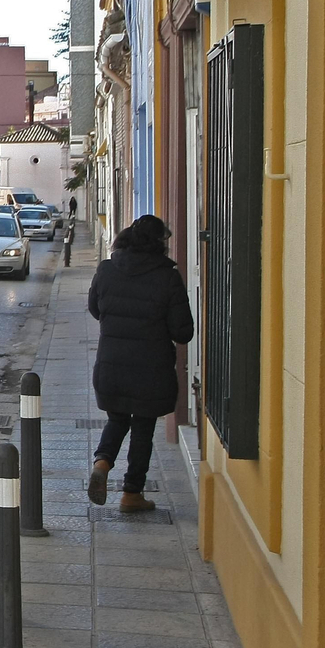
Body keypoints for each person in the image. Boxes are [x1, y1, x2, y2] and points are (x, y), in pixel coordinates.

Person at [87, 214, 194, 512]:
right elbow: (183, 331)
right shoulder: (168, 277)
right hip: (151, 369)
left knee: (117, 419)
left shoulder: (106, 269)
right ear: (159, 243)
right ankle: (131, 494)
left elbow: (96, 309)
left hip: (111, 364)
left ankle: (102, 462)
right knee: (143, 428)